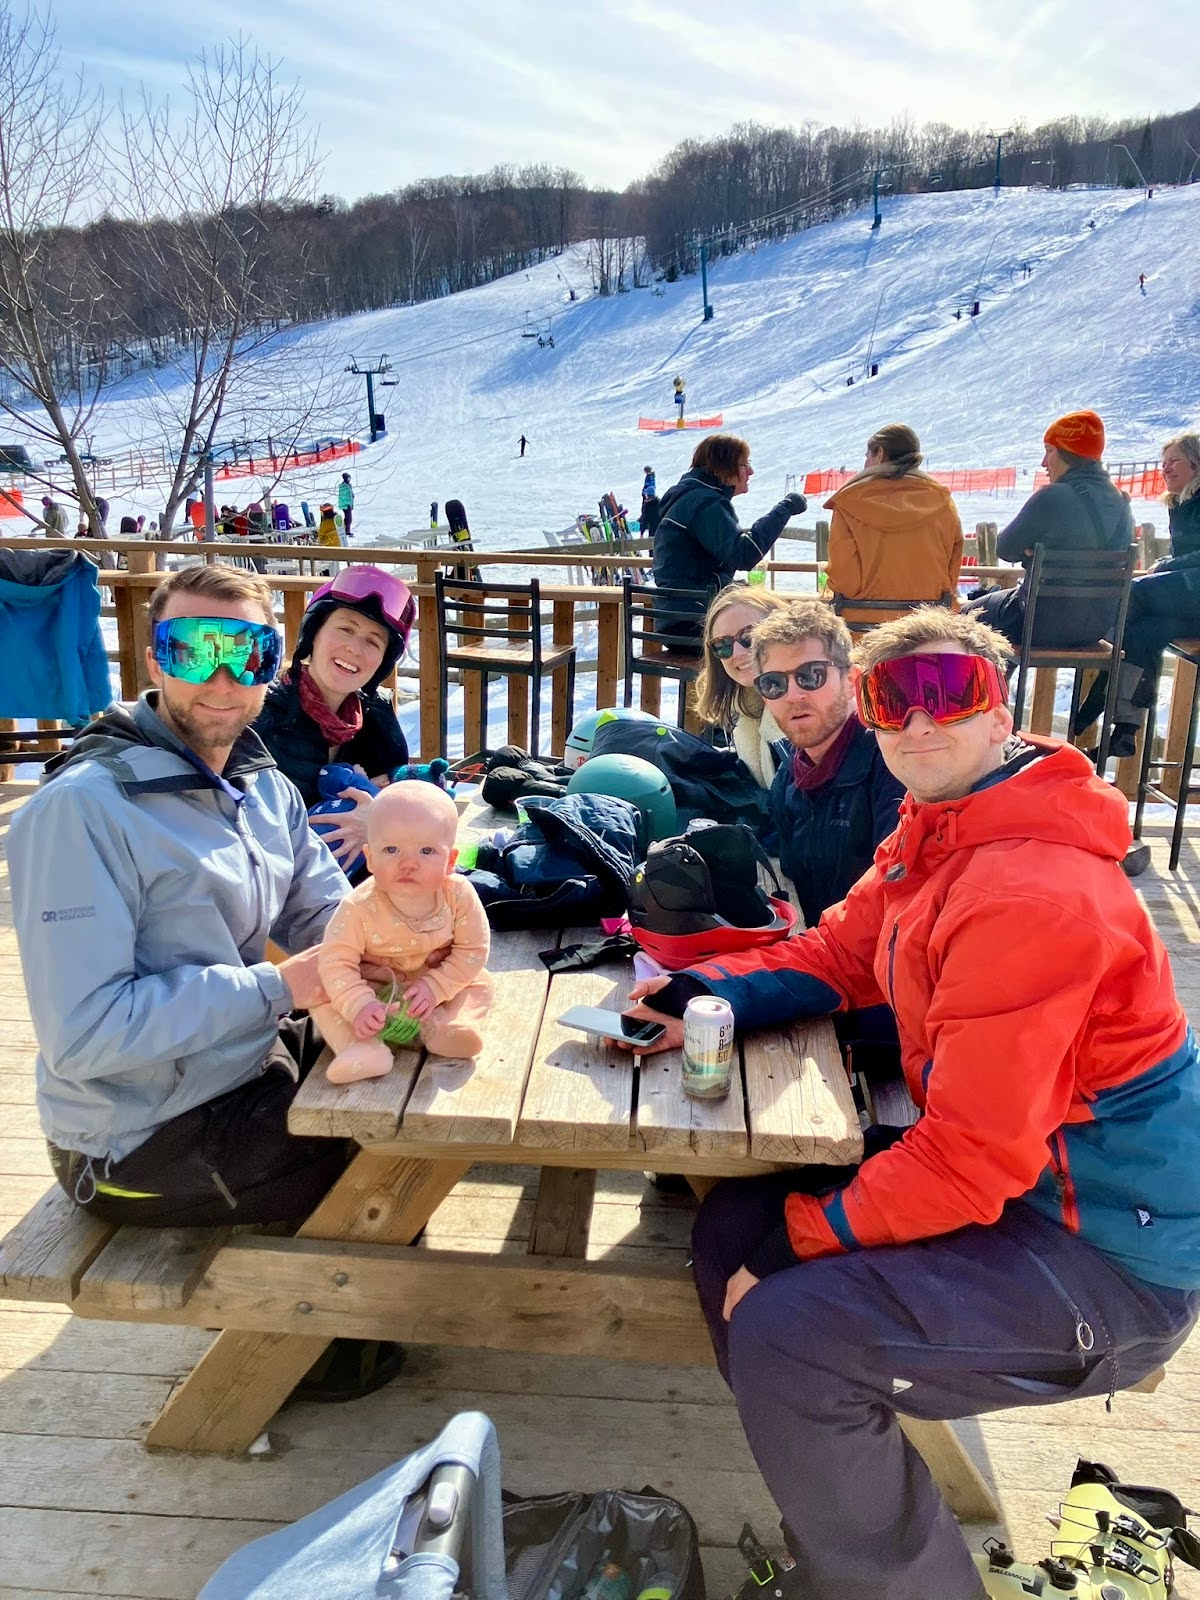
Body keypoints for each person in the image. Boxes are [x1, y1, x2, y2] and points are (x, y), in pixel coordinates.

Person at [622, 607, 1199, 1600]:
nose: (920, 723)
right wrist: (707, 996)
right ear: (872, 711)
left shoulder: (1029, 890)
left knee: (790, 1330)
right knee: (732, 1225)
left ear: (999, 704)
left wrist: (797, 1247)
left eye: (949, 692)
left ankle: (901, 1584)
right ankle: (851, 1539)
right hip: (1031, 1194)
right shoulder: (942, 829)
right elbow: (843, 951)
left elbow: (971, 1163)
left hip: (1107, 1256)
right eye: (896, 699)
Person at [8, 562, 360, 1229]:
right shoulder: (81, 812)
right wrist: (279, 988)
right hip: (130, 1141)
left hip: (239, 1064)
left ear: (273, 667)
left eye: (247, 653)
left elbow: (323, 912)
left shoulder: (263, 788)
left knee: (407, 1077)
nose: (222, 680)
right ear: (154, 661)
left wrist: (400, 935)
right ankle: (329, 1330)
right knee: (370, 1158)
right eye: (194, 650)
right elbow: (84, 1033)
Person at [315, 783, 493, 1082]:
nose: (408, 863)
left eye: (426, 850)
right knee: (321, 992)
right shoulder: (358, 907)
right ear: (370, 858)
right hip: (375, 988)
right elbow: (336, 962)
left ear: (450, 861)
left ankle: (449, 1027)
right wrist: (360, 1004)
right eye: (391, 849)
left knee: (479, 982)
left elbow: (472, 951)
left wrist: (436, 987)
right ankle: (361, 1048)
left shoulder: (458, 895)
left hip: (438, 982)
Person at [751, 599, 905, 931]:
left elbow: (900, 901)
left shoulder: (896, 764)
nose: (793, 695)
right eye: (774, 683)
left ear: (851, 680)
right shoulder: (786, 781)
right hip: (828, 958)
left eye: (811, 675)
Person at [252, 565, 414, 867]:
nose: (354, 648)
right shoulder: (264, 714)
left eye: (372, 641)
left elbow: (406, 804)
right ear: (313, 635)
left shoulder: (376, 720)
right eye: (346, 629)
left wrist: (375, 822)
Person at [1075, 432, 1200, 756]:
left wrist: (1165, 567)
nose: (1165, 469)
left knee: (1133, 593)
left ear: (1197, 464)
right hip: (1191, 602)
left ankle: (1098, 693)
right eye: (1163, 463)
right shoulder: (1182, 504)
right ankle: (1126, 730)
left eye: (1174, 461)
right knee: (1145, 632)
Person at [967, 409, 1134, 649]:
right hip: (1096, 627)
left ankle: (989, 687)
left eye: (1049, 451)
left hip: (1036, 623)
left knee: (966, 617)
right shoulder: (1123, 502)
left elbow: (1005, 549)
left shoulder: (1052, 497)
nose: (1044, 463)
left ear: (1069, 453)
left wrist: (1033, 552)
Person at [653, 434, 807, 643]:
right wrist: (786, 508)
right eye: (745, 464)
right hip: (694, 624)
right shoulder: (704, 504)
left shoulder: (689, 499)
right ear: (723, 468)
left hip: (677, 618)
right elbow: (744, 554)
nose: (750, 471)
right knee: (777, 642)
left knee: (767, 626)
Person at [822, 423, 963, 624]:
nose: (865, 464)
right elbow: (951, 572)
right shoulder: (943, 502)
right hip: (930, 628)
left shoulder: (849, 503)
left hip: (863, 630)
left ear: (880, 454)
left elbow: (845, 581)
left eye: (867, 456)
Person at [693, 583, 791, 788]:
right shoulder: (746, 710)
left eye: (749, 637)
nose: (737, 653)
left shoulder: (806, 709)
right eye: (723, 645)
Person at [337, 472, 354, 537]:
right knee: (349, 518)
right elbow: (343, 497)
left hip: (348, 504)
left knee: (347, 518)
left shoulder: (348, 485)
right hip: (345, 505)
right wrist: (348, 503)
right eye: (348, 478)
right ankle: (347, 531)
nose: (349, 479)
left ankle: (345, 530)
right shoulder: (344, 486)